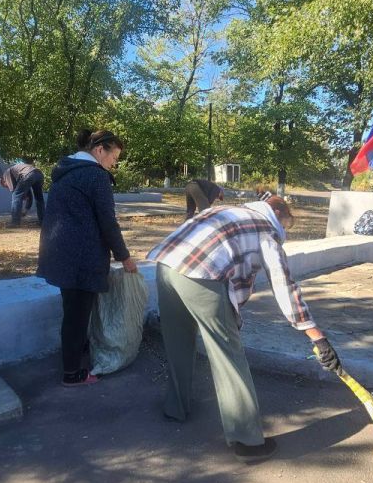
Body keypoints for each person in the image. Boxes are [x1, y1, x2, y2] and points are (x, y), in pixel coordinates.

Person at [146, 196, 341, 462]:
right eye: (287, 222)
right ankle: (247, 442)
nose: (286, 229)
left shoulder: (228, 210)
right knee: (229, 355)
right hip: (200, 276)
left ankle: (176, 407)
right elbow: (283, 286)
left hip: (166, 266)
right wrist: (316, 336)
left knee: (178, 341)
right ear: (277, 212)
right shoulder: (265, 229)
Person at [37, 129, 138, 387]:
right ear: (99, 150)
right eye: (114, 156)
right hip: (81, 256)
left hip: (59, 251)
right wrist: (124, 257)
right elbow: (108, 222)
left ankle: (78, 348)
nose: (114, 163)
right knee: (76, 315)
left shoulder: (65, 170)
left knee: (72, 308)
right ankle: (72, 373)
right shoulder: (95, 176)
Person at [1, 159, 44, 226]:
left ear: (4, 181)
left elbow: (15, 193)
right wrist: (25, 210)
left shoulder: (6, 174)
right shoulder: (18, 173)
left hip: (29, 174)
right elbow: (29, 195)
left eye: (6, 186)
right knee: (39, 199)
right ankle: (42, 221)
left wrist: (19, 207)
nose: (7, 187)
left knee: (15, 195)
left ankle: (15, 222)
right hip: (39, 174)